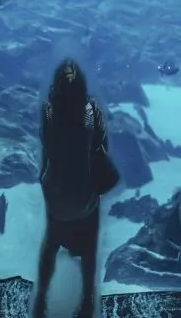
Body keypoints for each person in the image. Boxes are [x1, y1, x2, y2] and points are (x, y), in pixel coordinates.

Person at [32, 58, 108, 318]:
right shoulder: (92, 110)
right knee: (89, 247)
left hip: (56, 194)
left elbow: (47, 151)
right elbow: (101, 148)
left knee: (51, 241)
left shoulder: (48, 110)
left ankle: (40, 299)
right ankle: (87, 301)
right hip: (85, 197)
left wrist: (45, 181)